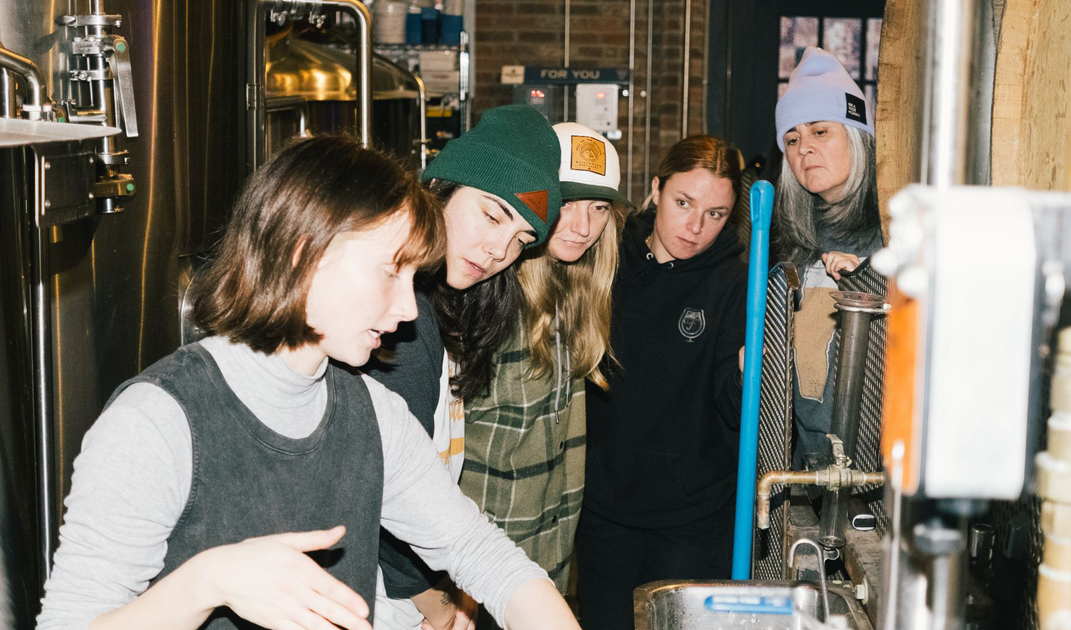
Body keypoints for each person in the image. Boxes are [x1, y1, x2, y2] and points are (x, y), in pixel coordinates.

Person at [36, 136, 580, 630]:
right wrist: (207, 582)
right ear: (303, 251)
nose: (407, 309)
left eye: (414, 279)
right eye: (390, 272)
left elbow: (482, 554)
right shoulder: (158, 421)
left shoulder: (373, 413)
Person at [365, 104, 564, 630]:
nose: (500, 249)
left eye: (523, 240)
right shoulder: (402, 326)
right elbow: (379, 490)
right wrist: (435, 601)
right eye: (493, 214)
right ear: (442, 188)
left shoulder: (448, 307)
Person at [457, 123, 630, 628]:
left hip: (542, 569)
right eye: (569, 203)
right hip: (475, 577)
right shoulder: (486, 296)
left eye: (599, 209)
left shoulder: (576, 297)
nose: (581, 225)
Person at [577, 135, 746, 630]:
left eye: (715, 214)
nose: (695, 227)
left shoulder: (735, 284)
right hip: (605, 511)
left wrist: (748, 372)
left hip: (693, 521)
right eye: (683, 203)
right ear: (656, 189)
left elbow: (736, 412)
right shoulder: (607, 260)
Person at [772, 46, 885, 469]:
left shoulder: (893, 233)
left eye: (821, 132)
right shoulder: (794, 240)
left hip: (877, 469)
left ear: (857, 135)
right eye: (793, 138)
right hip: (807, 464)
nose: (804, 149)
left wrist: (869, 286)